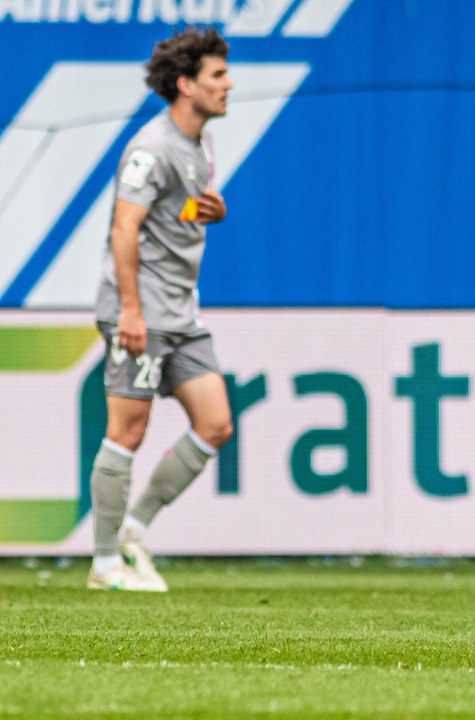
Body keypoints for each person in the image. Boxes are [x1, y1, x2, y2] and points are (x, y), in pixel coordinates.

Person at [87, 27, 234, 592]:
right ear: (185, 84)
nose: (229, 84)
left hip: (180, 313)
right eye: (217, 75)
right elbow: (124, 229)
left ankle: (133, 527)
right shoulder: (152, 148)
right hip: (142, 310)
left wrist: (208, 213)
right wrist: (129, 309)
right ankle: (104, 566)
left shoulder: (198, 144)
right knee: (128, 430)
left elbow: (172, 215)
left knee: (215, 424)